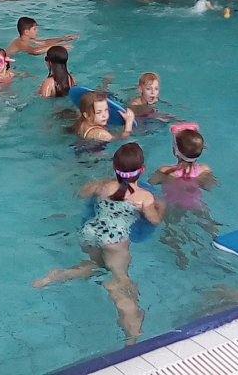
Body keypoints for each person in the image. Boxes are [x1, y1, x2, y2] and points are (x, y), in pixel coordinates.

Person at [33, 143, 165, 345]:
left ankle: (59, 275)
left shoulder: (104, 186)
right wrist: (160, 207)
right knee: (120, 281)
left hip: (90, 231)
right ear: (142, 170)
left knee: (99, 266)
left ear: (114, 167)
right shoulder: (144, 196)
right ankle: (132, 333)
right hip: (114, 240)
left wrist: (101, 182)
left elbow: (82, 193)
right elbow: (154, 220)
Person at [149, 123, 218, 268]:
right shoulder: (204, 169)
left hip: (172, 206)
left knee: (170, 233)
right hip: (196, 204)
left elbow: (151, 183)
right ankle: (216, 245)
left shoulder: (165, 171)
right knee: (209, 225)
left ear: (175, 152)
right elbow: (209, 186)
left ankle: (180, 255)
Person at [71, 91, 135, 142]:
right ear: (86, 115)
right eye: (99, 112)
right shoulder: (101, 134)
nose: (104, 115)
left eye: (106, 110)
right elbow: (121, 139)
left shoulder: (81, 122)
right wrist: (129, 123)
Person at [5, 17, 78, 56]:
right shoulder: (20, 42)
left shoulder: (29, 40)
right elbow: (35, 51)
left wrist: (63, 39)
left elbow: (45, 42)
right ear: (26, 32)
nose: (37, 30)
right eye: (34, 29)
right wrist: (57, 46)